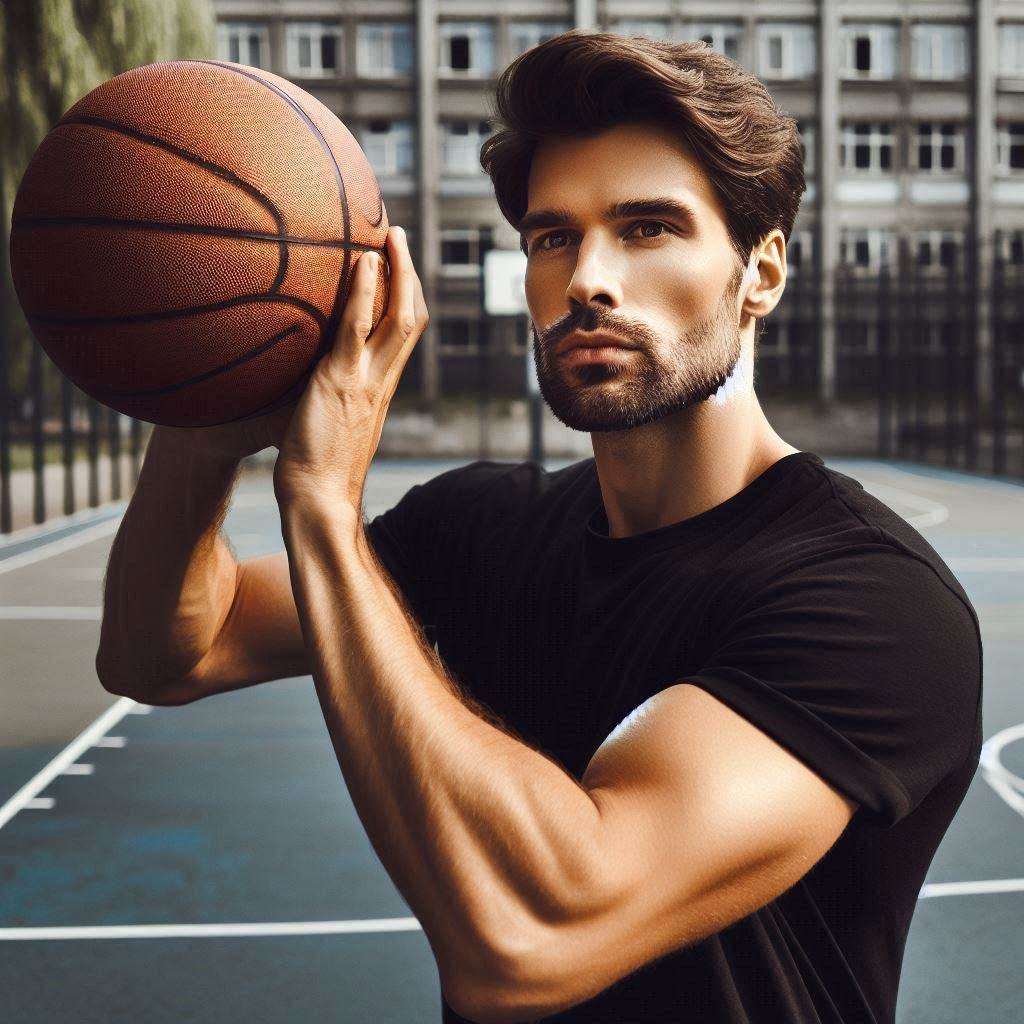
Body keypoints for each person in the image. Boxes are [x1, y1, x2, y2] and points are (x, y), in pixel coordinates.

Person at [97, 31, 983, 1024]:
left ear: (761, 273)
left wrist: (320, 505)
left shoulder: (872, 604)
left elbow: (527, 941)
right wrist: (203, 420)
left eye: (648, 227)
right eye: (553, 237)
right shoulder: (479, 528)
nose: (587, 279)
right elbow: (168, 651)